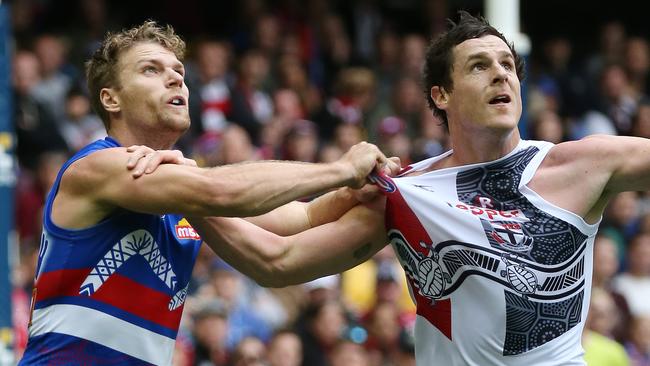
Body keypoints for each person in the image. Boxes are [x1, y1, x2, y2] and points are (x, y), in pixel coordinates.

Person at [190, 11, 650, 365]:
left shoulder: (586, 163)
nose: (500, 74)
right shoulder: (407, 194)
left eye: (508, 64)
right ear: (440, 95)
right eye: (479, 65)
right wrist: (185, 194)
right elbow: (279, 258)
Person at [18, 21, 395, 365]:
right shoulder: (97, 167)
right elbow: (219, 191)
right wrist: (340, 170)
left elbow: (302, 222)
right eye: (151, 69)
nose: (176, 80)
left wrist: (353, 192)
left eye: (179, 72)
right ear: (111, 99)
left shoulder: (183, 192)